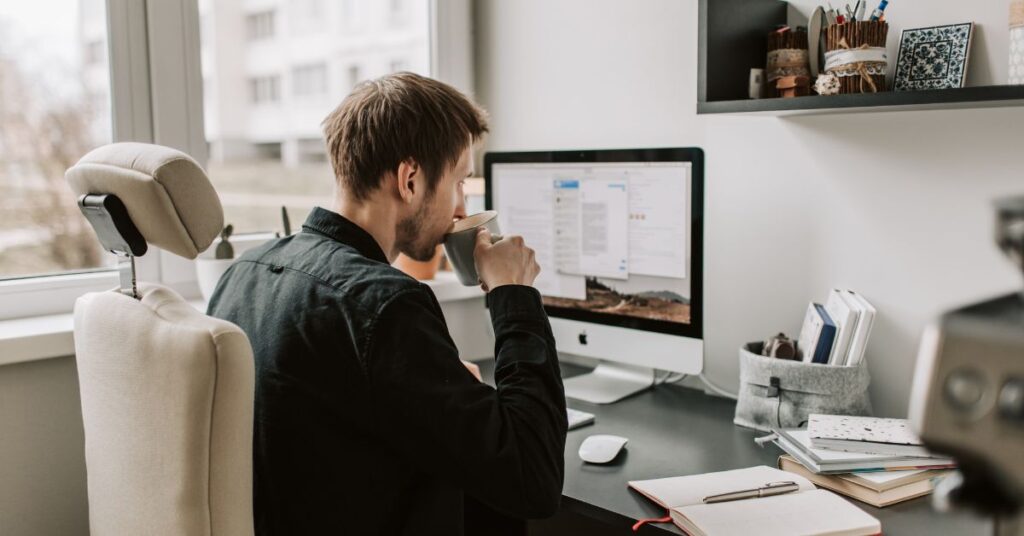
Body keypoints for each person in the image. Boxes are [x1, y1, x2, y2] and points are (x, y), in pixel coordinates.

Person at [207, 72, 567, 535]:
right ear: (410, 179)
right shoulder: (387, 305)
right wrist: (512, 294)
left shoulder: (244, 272)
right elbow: (533, 479)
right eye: (459, 182)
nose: (461, 208)